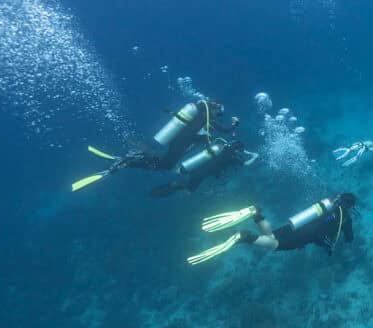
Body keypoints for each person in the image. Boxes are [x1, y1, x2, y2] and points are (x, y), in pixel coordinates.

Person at [71, 99, 239, 192]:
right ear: (215, 108)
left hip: (177, 141)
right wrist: (233, 124)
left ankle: (130, 158)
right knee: (165, 165)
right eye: (219, 112)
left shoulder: (198, 116)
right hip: (180, 144)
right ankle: (126, 161)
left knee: (163, 162)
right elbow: (224, 130)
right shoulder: (205, 117)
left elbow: (197, 135)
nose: (218, 116)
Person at [187, 193, 357, 265]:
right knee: (275, 245)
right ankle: (244, 237)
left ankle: (257, 215)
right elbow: (349, 238)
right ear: (349, 206)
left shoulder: (327, 204)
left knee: (271, 235)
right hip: (307, 234)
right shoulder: (346, 218)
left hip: (296, 224)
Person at [149, 139, 258, 198]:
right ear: (237, 150)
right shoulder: (232, 157)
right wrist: (254, 156)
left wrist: (246, 151)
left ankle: (174, 183)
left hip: (195, 166)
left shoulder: (221, 146)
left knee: (184, 178)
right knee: (189, 192)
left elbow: (236, 148)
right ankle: (176, 186)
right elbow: (246, 164)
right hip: (200, 175)